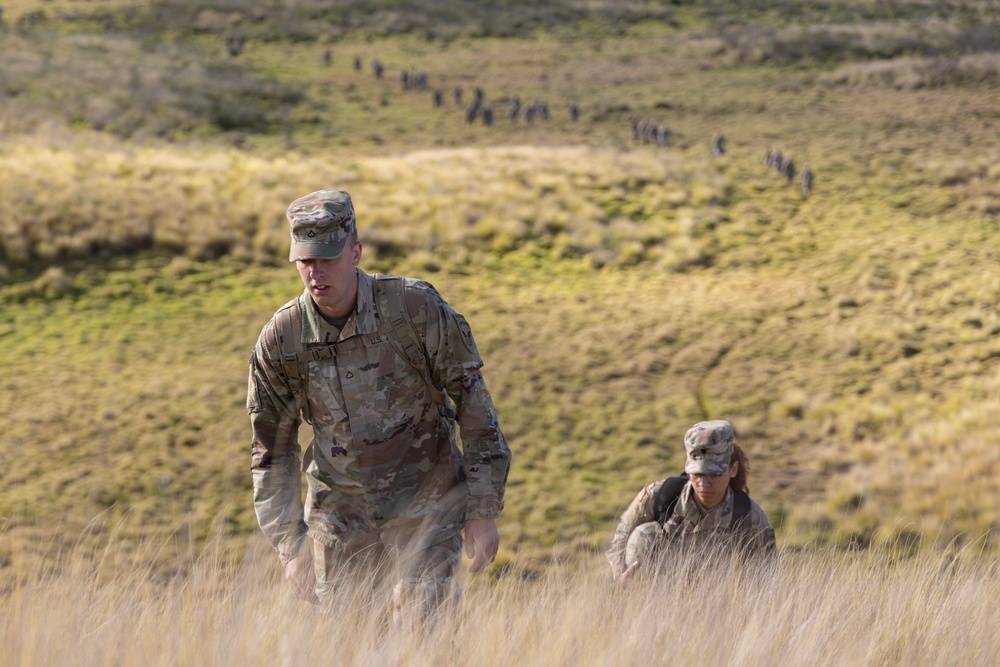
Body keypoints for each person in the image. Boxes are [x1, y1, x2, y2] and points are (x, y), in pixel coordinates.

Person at [247, 190, 511, 615]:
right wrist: (291, 547)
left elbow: (474, 405)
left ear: (356, 252)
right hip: (340, 517)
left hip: (428, 504)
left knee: (426, 628)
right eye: (305, 260)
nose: (316, 272)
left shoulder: (414, 309)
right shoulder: (282, 341)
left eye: (328, 257)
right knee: (351, 645)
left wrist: (482, 508)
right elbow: (271, 453)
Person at [606, 420, 775, 583]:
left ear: (733, 469)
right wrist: (621, 578)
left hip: (719, 600)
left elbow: (769, 574)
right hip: (657, 594)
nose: (704, 483)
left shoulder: (749, 516)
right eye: (697, 474)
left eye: (714, 475)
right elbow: (623, 533)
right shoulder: (661, 496)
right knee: (644, 533)